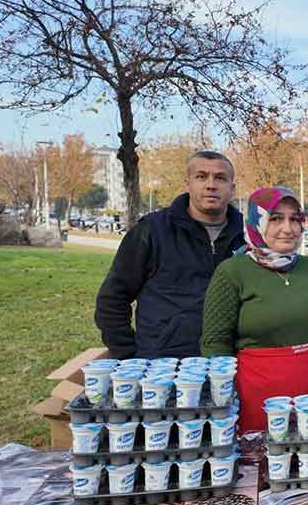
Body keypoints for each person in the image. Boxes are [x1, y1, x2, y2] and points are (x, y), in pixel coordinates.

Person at [200, 186, 308, 432]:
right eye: (276, 219)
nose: (288, 228)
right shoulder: (232, 272)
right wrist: (226, 397)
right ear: (256, 222)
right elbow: (215, 343)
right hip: (256, 396)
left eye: (295, 219)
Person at [94, 150, 243, 359]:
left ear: (232, 189)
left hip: (230, 364)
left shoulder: (249, 236)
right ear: (187, 184)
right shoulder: (152, 231)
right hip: (163, 365)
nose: (211, 185)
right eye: (201, 177)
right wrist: (128, 355)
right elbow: (113, 298)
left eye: (220, 178)